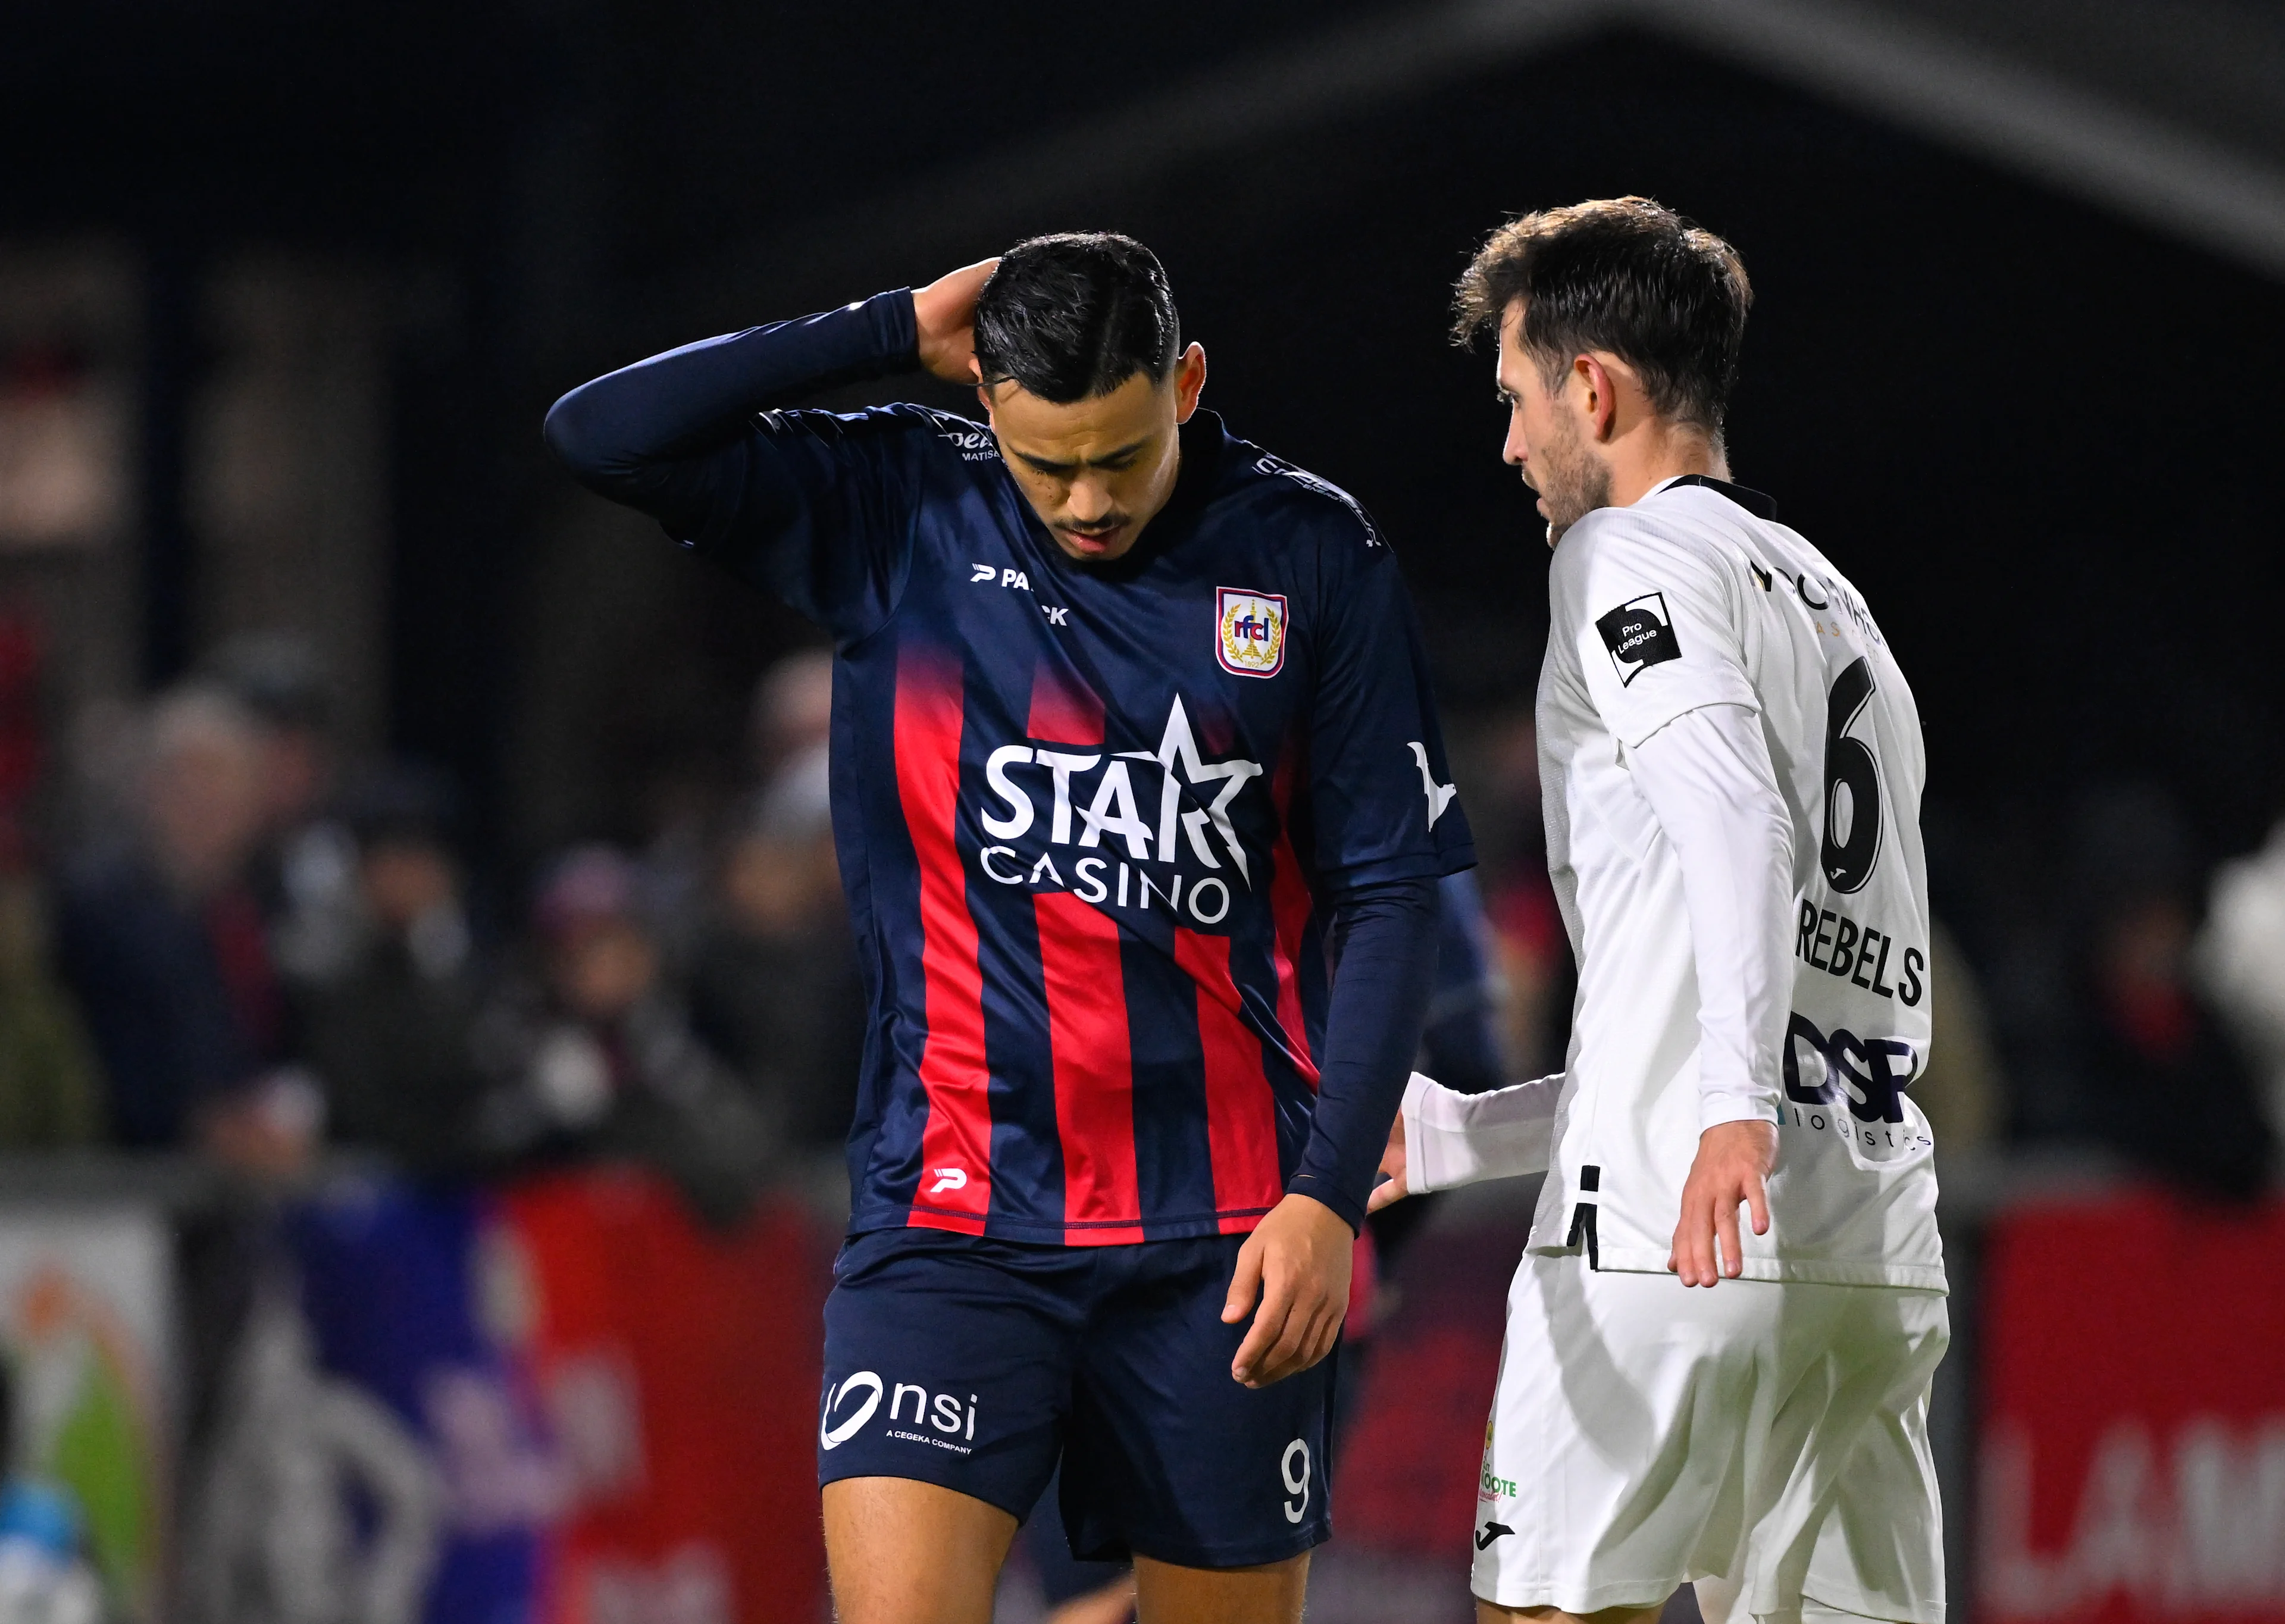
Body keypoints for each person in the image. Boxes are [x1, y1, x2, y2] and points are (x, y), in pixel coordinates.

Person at [545, 232, 1473, 1624]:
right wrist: (881, 325)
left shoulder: (1310, 551)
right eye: (1050, 465)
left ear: (1190, 383)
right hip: (955, 1219)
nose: (1089, 500)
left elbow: (1392, 892)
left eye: (1123, 453)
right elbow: (602, 432)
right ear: (984, 399)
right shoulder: (903, 508)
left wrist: (1326, 1197)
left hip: (1226, 1236)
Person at [1372, 199, 1948, 1624]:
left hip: (1670, 1239)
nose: (1509, 444)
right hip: (1869, 1245)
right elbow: (1741, 976)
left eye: (1515, 399)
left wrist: (1735, 1111)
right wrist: (1470, 1131)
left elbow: (1736, 825)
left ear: (1594, 387)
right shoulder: (1840, 609)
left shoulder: (1621, 557)